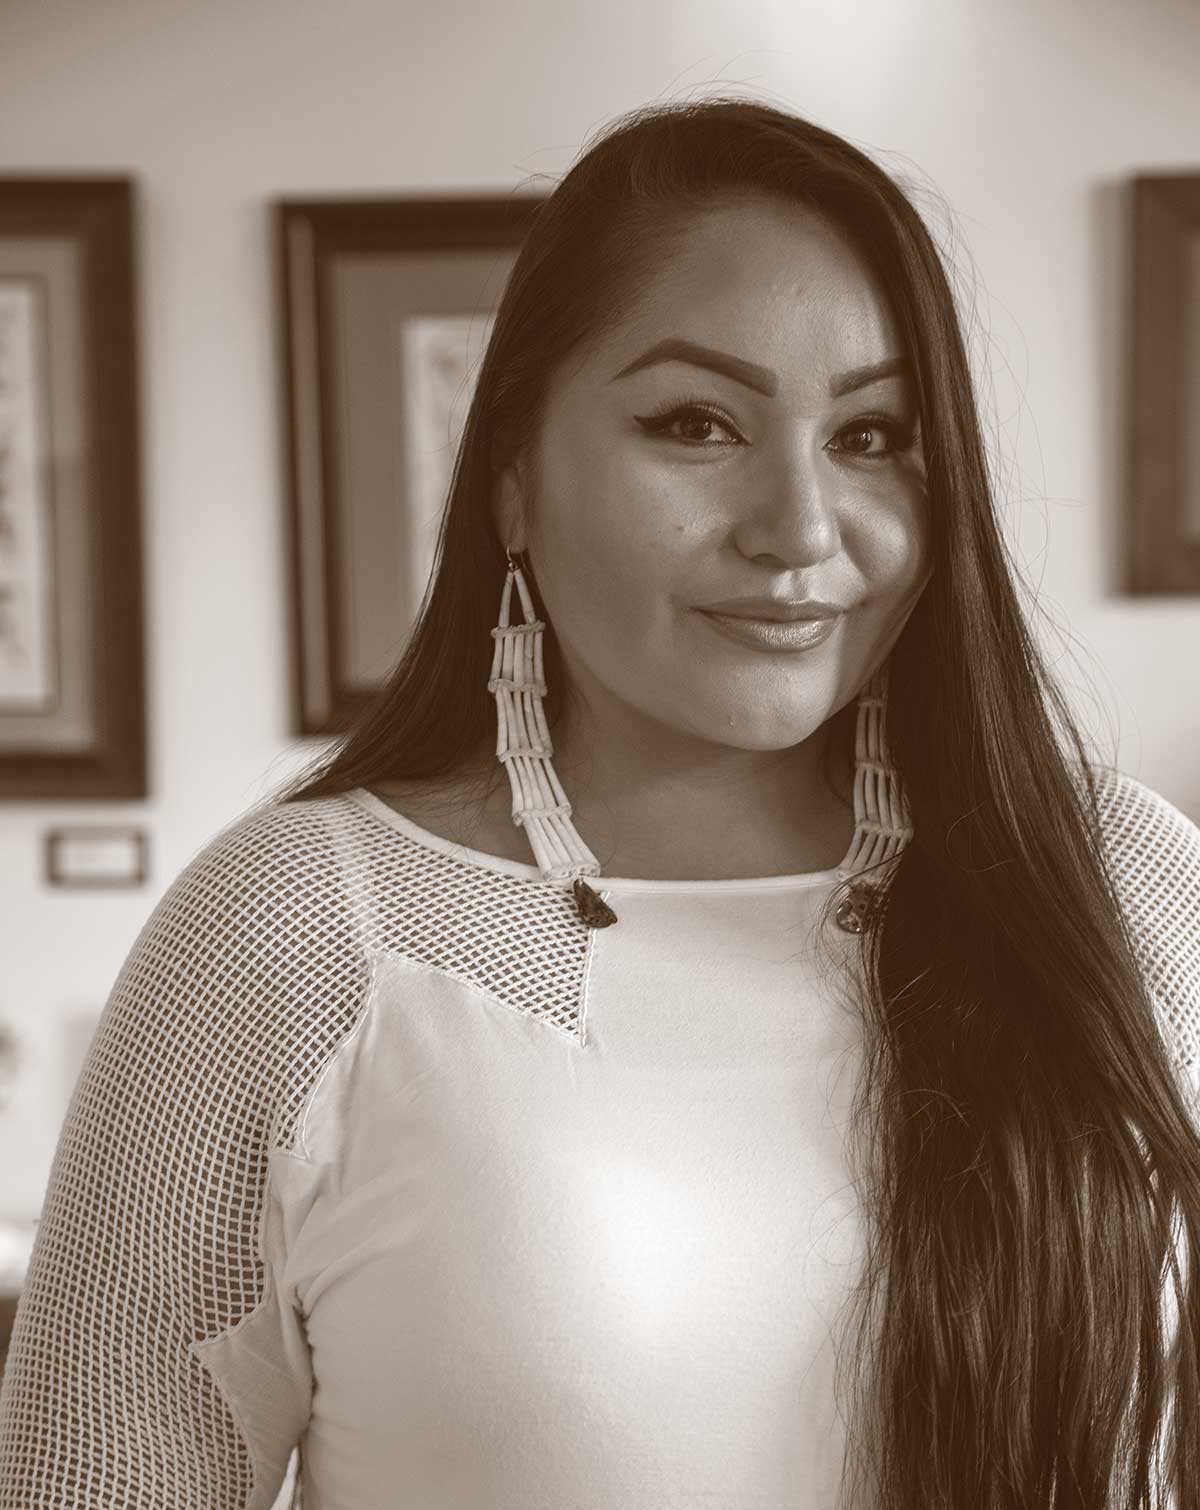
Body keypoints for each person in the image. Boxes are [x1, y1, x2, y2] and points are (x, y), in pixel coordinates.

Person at [2, 96, 1199, 1510]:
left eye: (873, 436)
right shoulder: (297, 933)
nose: (802, 531)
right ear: (513, 474)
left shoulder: (1122, 884)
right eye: (697, 423)